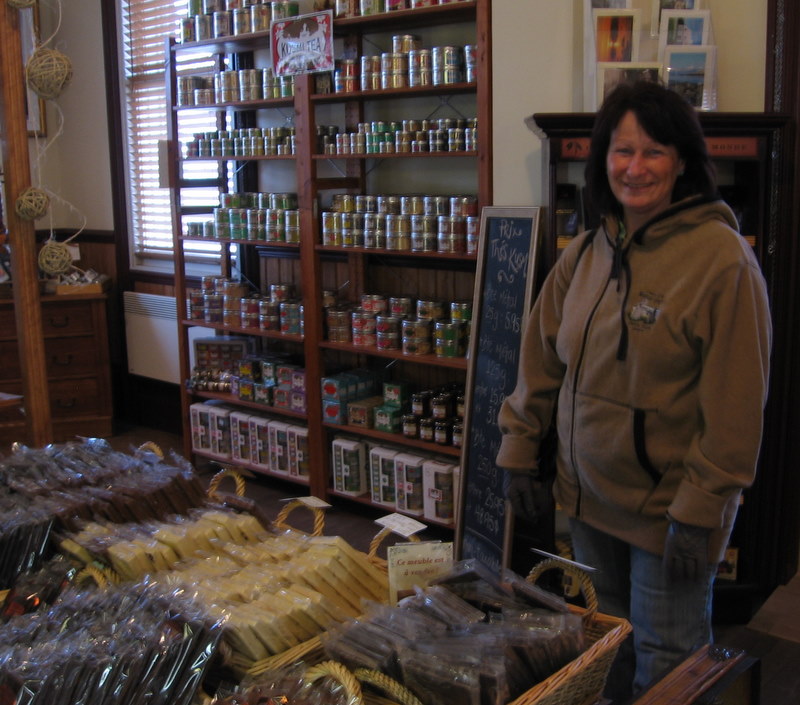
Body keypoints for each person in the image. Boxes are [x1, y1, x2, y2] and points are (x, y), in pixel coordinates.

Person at [496, 81, 771, 701]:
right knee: (605, 648)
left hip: (668, 518)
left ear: (682, 162)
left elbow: (735, 411)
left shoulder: (722, 262)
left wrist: (697, 518)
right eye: (622, 151)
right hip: (589, 505)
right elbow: (539, 361)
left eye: (654, 151)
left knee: (668, 664)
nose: (635, 167)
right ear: (602, 161)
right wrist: (518, 453)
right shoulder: (588, 250)